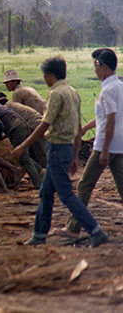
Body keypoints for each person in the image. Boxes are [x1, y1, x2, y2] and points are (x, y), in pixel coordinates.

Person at [12, 56, 108, 247]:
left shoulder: (56, 93)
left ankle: (95, 230)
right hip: (65, 149)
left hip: (56, 148)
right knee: (46, 194)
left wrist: (23, 145)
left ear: (49, 75)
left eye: (44, 75)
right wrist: (74, 156)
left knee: (65, 194)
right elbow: (78, 126)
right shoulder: (73, 92)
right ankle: (39, 235)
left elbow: (44, 124)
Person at [57, 49, 123, 239]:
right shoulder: (119, 86)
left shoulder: (107, 90)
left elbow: (110, 121)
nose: (95, 70)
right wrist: (86, 127)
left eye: (96, 65)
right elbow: (105, 116)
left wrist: (103, 151)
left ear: (103, 65)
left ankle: (73, 228)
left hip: (105, 144)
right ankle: (73, 226)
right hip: (118, 145)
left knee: (84, 185)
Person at [0, 92, 47, 168]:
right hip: (35, 124)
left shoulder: (5, 109)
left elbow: (12, 128)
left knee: (39, 154)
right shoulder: (12, 105)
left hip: (35, 126)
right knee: (32, 154)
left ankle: (47, 176)